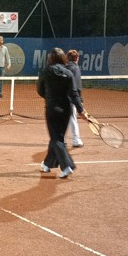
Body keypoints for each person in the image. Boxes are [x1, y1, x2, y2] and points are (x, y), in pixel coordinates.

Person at [37, 47, 77, 178]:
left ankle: (67, 166)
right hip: (67, 110)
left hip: (52, 109)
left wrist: (48, 97)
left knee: (56, 138)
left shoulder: (45, 71)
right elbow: (73, 94)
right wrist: (81, 109)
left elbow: (40, 89)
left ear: (50, 58)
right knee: (58, 137)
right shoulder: (69, 73)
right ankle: (47, 164)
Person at [65, 49, 85, 148]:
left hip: (60, 99)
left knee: (62, 120)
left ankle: (62, 140)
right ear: (77, 58)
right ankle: (76, 140)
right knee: (73, 119)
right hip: (70, 99)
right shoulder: (76, 68)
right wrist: (80, 101)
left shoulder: (63, 68)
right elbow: (76, 86)